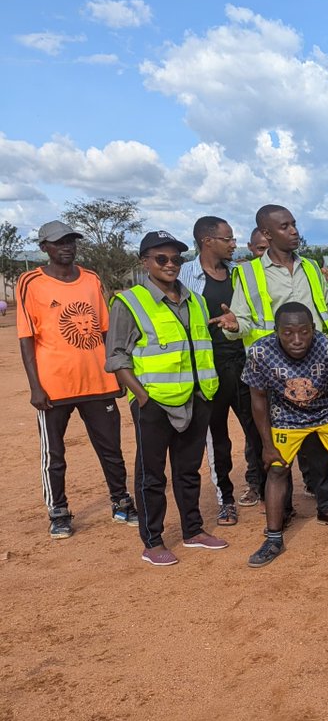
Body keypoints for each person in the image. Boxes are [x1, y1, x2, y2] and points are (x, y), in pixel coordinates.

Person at [209, 204, 328, 530]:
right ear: (267, 234)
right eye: (285, 227)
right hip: (275, 375)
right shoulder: (247, 273)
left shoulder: (312, 267)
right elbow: (244, 322)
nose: (294, 231)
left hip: (315, 368)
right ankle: (283, 508)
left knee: (316, 442)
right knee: (277, 448)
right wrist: (233, 325)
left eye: (294, 224)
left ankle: (327, 504)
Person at [106, 231, 227, 566]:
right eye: (162, 258)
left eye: (176, 259)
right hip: (155, 404)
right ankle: (153, 541)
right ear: (145, 261)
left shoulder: (196, 301)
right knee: (151, 475)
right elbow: (116, 357)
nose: (171, 265)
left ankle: (193, 531)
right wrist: (143, 397)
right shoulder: (129, 302)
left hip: (196, 398)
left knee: (189, 471)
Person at [18, 220, 136, 539]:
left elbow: (107, 329)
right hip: (53, 387)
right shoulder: (30, 282)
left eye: (71, 240)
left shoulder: (92, 279)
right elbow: (27, 337)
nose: (67, 246)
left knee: (111, 448)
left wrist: (118, 372)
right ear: (44, 248)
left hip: (98, 381)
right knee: (54, 454)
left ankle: (121, 501)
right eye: (58, 242)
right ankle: (58, 511)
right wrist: (35, 386)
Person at [242, 303, 328, 567]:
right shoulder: (259, 352)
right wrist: (267, 445)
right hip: (286, 415)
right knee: (277, 469)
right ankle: (273, 538)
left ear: (313, 329)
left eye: (304, 332)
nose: (297, 340)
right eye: (288, 333)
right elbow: (257, 400)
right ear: (277, 331)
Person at [180, 215, 261, 526]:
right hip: (208, 369)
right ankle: (225, 498)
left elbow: (252, 316)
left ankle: (260, 486)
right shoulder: (186, 276)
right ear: (207, 241)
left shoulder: (239, 275)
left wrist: (237, 323)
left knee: (255, 429)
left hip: (243, 363)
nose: (233, 244)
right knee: (218, 438)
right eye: (227, 239)